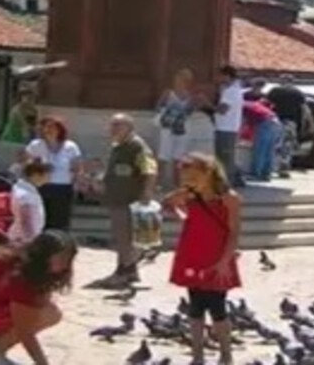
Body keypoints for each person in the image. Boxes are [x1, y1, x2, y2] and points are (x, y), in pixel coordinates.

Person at [0, 230, 77, 365]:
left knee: (47, 311)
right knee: (47, 315)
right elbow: (25, 331)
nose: (65, 265)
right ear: (45, 255)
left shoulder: (24, 259)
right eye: (62, 258)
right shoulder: (20, 274)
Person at [163, 153, 242, 365]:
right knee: (194, 307)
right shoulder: (189, 196)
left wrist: (225, 262)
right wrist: (184, 211)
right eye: (185, 177)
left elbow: (234, 233)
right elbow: (167, 203)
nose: (188, 181)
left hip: (217, 258)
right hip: (192, 256)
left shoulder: (229, 198)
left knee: (218, 308)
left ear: (208, 173)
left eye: (192, 176)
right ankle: (197, 355)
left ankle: (226, 354)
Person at [100, 113, 157, 287]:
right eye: (112, 125)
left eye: (118, 125)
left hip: (130, 199)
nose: (113, 128)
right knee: (122, 238)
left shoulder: (137, 146)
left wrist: (147, 192)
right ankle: (130, 271)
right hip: (117, 197)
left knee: (125, 239)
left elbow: (150, 169)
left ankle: (123, 272)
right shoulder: (118, 146)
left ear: (129, 127)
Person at [23, 117, 82, 232]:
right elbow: (26, 165)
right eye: (46, 127)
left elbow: (77, 168)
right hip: (41, 186)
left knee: (61, 221)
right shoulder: (36, 145)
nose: (49, 130)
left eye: (53, 128)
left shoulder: (70, 146)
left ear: (60, 130)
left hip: (63, 187)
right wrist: (39, 169)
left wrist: (77, 183)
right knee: (41, 219)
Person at [155, 68, 197, 189]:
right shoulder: (168, 93)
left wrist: (193, 104)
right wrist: (168, 112)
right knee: (163, 155)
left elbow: (190, 112)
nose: (179, 82)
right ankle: (157, 182)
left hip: (182, 128)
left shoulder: (191, 96)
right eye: (178, 79)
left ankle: (176, 183)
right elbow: (158, 107)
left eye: (184, 80)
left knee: (179, 156)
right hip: (167, 128)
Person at [264, 76, 305, 178]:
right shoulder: (298, 93)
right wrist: (300, 127)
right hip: (291, 122)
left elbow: (266, 104)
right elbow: (302, 111)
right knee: (287, 146)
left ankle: (270, 168)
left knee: (273, 144)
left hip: (275, 120)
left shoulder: (275, 91)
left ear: (281, 81)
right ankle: (284, 169)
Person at [212, 66, 246, 187]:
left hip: (226, 128)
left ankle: (226, 184)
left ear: (227, 76)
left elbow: (223, 109)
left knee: (225, 158)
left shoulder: (231, 91)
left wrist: (207, 104)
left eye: (220, 75)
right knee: (223, 157)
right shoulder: (231, 90)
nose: (218, 78)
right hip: (226, 127)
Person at [0, 88, 38, 177]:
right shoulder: (17, 109)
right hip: (13, 134)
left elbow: (35, 122)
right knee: (16, 153)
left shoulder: (33, 109)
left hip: (27, 133)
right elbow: (24, 124)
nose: (29, 99)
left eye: (31, 97)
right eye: (26, 96)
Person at [8, 161, 50, 246]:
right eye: (46, 176)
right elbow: (26, 221)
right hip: (23, 240)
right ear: (35, 175)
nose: (48, 179)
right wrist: (31, 241)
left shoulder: (23, 190)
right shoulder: (25, 195)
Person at [243, 98, 281, 182]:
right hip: (276, 122)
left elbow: (247, 125)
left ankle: (255, 173)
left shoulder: (244, 107)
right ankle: (266, 174)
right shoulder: (256, 105)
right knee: (269, 150)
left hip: (265, 122)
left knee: (260, 149)